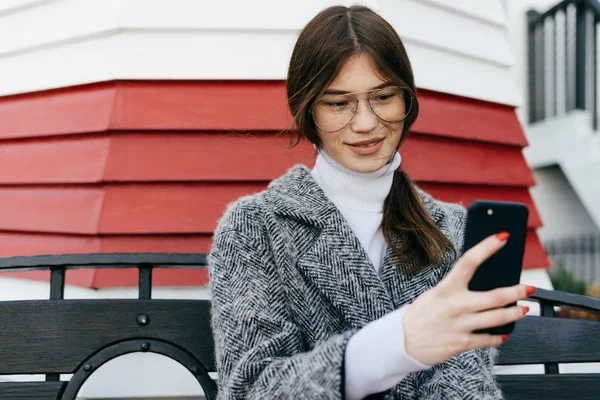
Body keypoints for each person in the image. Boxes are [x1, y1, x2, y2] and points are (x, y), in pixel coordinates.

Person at [208, 5, 533, 399]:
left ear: (406, 100)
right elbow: (251, 389)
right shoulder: (254, 227)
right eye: (338, 103)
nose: (365, 123)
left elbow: (468, 383)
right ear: (307, 109)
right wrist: (397, 344)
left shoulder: (451, 229)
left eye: (382, 96)